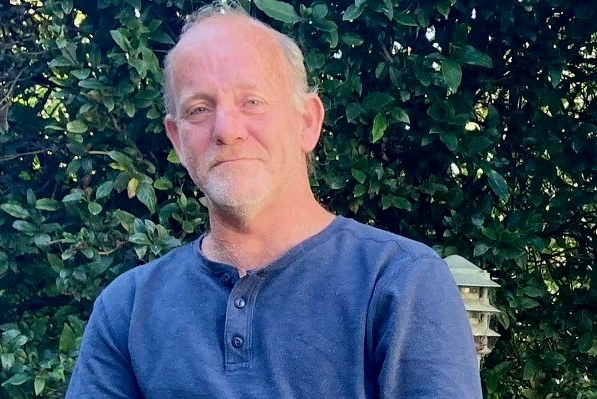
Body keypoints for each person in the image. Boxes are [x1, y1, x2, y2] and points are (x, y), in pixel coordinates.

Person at [65, 2, 482, 398]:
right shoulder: (128, 309)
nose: (227, 129)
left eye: (253, 101)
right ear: (177, 139)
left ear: (307, 122)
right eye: (198, 109)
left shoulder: (399, 283)